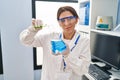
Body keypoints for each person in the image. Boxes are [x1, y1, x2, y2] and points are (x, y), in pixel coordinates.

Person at [20, 6, 91, 80]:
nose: (66, 23)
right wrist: (32, 30)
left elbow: (83, 70)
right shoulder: (50, 36)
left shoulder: (84, 41)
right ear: (59, 23)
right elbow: (25, 41)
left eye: (70, 18)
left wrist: (68, 55)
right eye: (62, 20)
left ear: (76, 19)